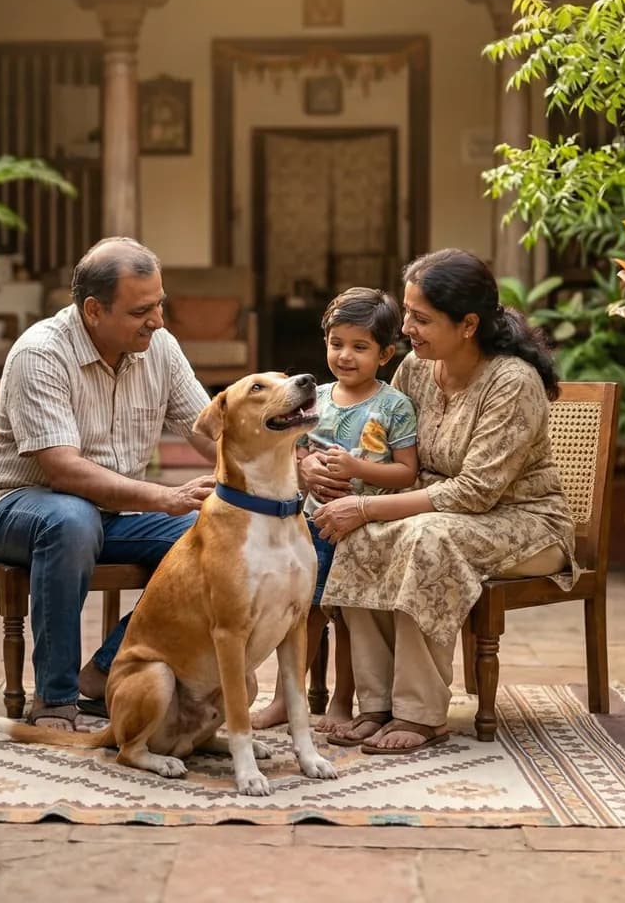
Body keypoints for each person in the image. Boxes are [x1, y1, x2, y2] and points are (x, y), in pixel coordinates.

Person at [306, 249, 574, 754]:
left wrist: (364, 507)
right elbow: (383, 447)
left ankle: (422, 713)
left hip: (523, 521)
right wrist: (324, 471)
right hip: (432, 508)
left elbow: (475, 491)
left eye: (421, 318)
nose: (406, 327)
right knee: (363, 536)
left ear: (468, 324)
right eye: (407, 313)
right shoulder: (416, 367)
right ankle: (377, 705)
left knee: (426, 538)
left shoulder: (512, 382)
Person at [0, 237, 217, 731]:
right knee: (72, 517)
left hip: (110, 514)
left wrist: (286, 461)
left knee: (213, 535)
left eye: (160, 304)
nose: (159, 321)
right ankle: (55, 699)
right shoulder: (40, 353)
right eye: (142, 310)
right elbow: (64, 471)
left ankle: (103, 671)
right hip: (14, 509)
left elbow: (210, 431)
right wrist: (164, 497)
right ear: (93, 310)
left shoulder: (160, 347)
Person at [246, 287, 417, 732]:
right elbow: (293, 452)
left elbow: (406, 472)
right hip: (311, 525)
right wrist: (307, 465)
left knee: (348, 617)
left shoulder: (393, 406)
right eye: (336, 343)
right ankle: (289, 698)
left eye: (360, 347)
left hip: (365, 529)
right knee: (303, 614)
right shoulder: (313, 399)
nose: (345, 355)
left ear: (385, 354)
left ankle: (343, 701)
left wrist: (358, 467)